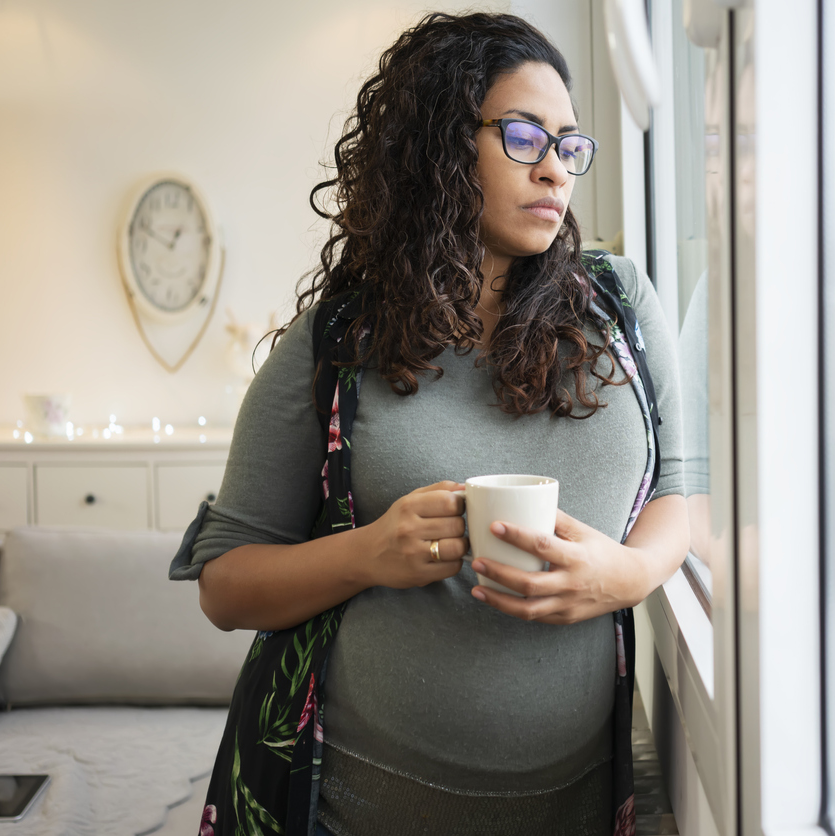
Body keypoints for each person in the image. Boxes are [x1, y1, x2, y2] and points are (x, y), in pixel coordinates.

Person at [169, 11, 688, 836]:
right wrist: (368, 553)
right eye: (524, 137)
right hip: (348, 804)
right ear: (441, 145)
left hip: (573, 807)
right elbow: (226, 586)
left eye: (570, 145)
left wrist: (630, 574)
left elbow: (679, 485)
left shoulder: (618, 305)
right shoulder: (336, 343)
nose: (557, 171)